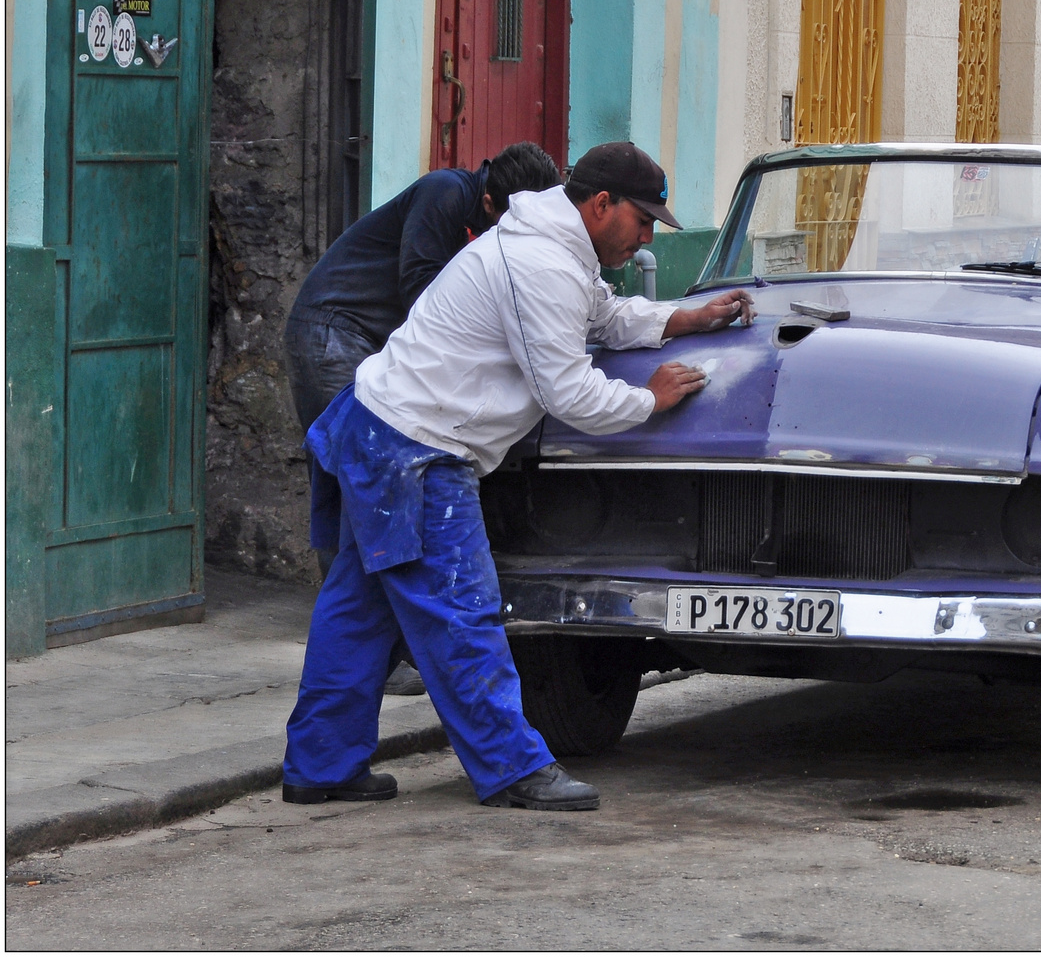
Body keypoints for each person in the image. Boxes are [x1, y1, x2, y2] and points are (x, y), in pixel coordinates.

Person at [281, 142, 755, 811]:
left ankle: (321, 766)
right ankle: (512, 767)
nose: (647, 236)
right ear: (600, 205)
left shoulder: (550, 243)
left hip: (377, 426)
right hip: (417, 449)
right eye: (642, 221)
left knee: (360, 612)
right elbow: (570, 392)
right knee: (462, 610)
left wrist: (683, 317)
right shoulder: (541, 262)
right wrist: (651, 400)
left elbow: (605, 316)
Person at [283, 142, 561, 694]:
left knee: (377, 505)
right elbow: (423, 292)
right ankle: (384, 652)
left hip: (370, 342)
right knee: (367, 494)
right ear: (489, 202)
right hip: (335, 332)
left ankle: (374, 652)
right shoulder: (444, 191)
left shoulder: (476, 209)